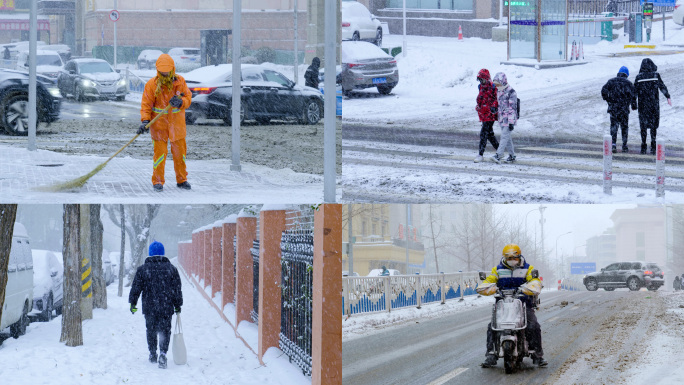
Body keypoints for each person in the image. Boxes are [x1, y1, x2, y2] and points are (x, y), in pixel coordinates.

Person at [477, 244, 547, 368]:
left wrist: (532, 286)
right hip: (503, 304)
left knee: (533, 325)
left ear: (519, 257)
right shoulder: (497, 269)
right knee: (492, 327)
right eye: (509, 257)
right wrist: (486, 286)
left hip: (523, 303)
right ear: (504, 257)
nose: (512, 260)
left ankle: (537, 355)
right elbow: (491, 280)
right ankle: (491, 354)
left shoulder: (528, 268)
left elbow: (534, 280)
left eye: (514, 257)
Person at [139, 53, 192, 192]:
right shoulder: (152, 85)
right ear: (158, 70)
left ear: (172, 69)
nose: (164, 75)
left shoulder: (180, 82)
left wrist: (181, 102)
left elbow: (188, 98)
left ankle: (182, 180)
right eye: (162, 72)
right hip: (159, 127)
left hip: (177, 126)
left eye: (167, 72)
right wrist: (145, 120)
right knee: (159, 156)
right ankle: (157, 181)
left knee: (180, 155)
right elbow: (146, 105)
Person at [129, 241, 183, 369]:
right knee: (165, 330)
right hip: (166, 306)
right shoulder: (171, 269)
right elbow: (176, 289)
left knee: (151, 330)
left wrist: (133, 303)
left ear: (150, 253)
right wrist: (177, 305)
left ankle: (153, 353)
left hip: (149, 307)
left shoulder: (143, 269)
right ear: (163, 253)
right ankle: (163, 354)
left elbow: (136, 288)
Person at [634, 58, 671, 155]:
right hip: (653, 105)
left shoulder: (639, 77)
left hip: (643, 105)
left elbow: (634, 92)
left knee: (643, 126)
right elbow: (662, 86)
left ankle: (643, 145)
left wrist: (633, 103)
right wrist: (667, 96)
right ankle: (653, 145)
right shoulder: (655, 75)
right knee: (653, 125)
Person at [601, 66, 636, 153]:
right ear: (626, 75)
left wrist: (609, 100)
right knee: (624, 127)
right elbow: (633, 95)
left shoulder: (611, 81)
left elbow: (603, 91)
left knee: (614, 126)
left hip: (613, 108)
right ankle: (624, 145)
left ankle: (613, 144)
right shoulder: (629, 83)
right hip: (624, 109)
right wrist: (633, 105)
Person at [491, 72, 517, 164]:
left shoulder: (511, 92)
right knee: (507, 138)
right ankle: (512, 155)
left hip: (509, 119)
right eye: (496, 84)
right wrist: (495, 109)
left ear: (503, 81)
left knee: (504, 137)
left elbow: (512, 108)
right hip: (502, 118)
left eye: (498, 84)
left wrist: (511, 122)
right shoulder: (499, 91)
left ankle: (498, 155)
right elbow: (500, 105)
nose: (497, 86)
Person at [474, 69, 499, 163]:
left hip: (490, 114)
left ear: (486, 79)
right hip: (483, 114)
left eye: (482, 80)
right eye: (480, 80)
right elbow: (480, 99)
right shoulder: (480, 87)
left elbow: (496, 99)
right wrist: (478, 106)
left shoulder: (493, 87)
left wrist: (494, 107)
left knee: (483, 133)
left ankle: (480, 154)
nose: (481, 82)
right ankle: (500, 151)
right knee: (489, 134)